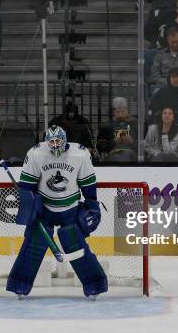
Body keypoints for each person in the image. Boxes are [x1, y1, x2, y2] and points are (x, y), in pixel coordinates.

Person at [8, 124, 107, 299]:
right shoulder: (36, 153)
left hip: (71, 208)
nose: (54, 144)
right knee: (35, 242)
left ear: (65, 140)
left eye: (58, 140)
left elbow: (88, 184)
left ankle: (95, 285)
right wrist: (30, 205)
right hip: (45, 208)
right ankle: (20, 284)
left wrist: (92, 206)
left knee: (73, 240)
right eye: (51, 141)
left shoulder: (80, 153)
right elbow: (27, 186)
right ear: (46, 141)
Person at [96, 97, 138, 162]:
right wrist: (114, 142)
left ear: (127, 110)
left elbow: (144, 147)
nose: (121, 113)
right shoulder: (106, 125)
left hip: (131, 156)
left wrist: (131, 142)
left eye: (123, 110)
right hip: (113, 155)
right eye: (118, 111)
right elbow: (99, 147)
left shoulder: (135, 124)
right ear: (114, 112)